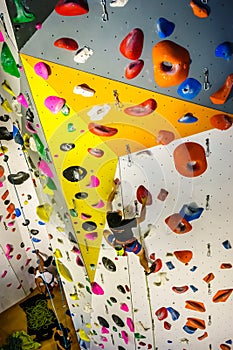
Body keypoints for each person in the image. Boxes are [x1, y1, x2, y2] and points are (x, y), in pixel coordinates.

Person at [103, 179, 156, 276]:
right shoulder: (126, 224)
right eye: (119, 213)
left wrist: (114, 190)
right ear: (121, 219)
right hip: (131, 244)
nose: (119, 211)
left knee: (105, 233)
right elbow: (142, 218)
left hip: (120, 244)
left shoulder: (109, 219)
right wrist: (144, 203)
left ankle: (115, 247)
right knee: (141, 255)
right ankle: (148, 270)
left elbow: (109, 201)